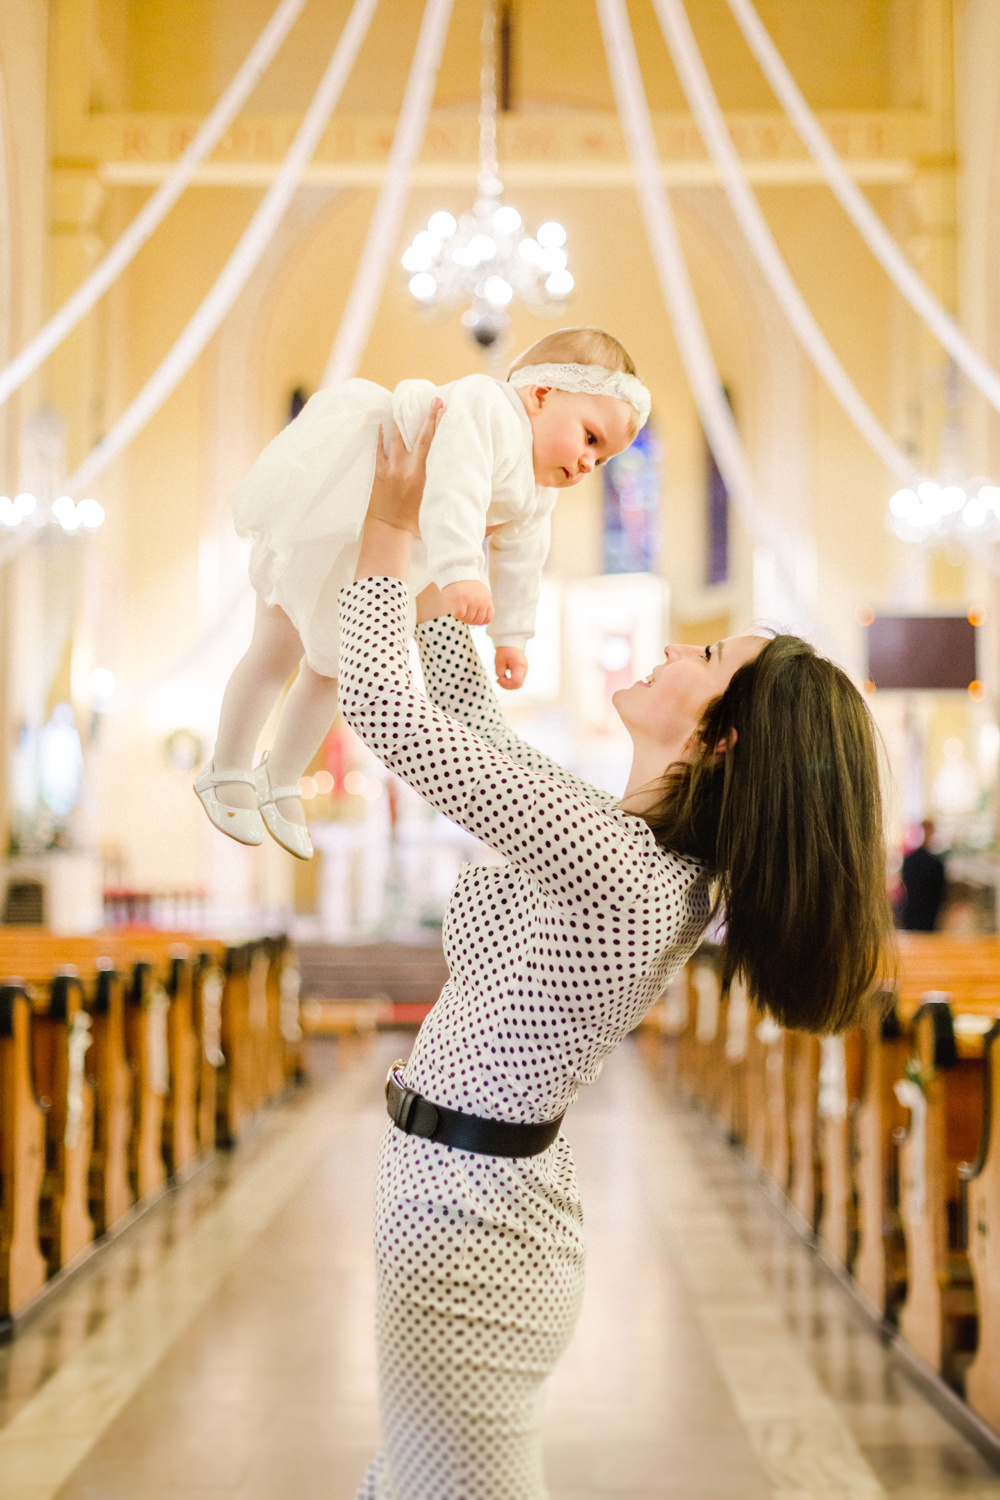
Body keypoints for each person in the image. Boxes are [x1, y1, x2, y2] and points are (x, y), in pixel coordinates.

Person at [341, 406, 894, 1500]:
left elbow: (384, 712)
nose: (673, 646)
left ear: (721, 737)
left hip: (468, 1233)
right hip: (463, 1204)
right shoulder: (631, 845)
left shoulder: (624, 870)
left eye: (704, 654)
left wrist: (385, 529)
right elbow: (470, 724)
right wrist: (470, 548)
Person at [194, 327, 646, 860]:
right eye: (591, 438)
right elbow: (456, 486)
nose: (590, 464)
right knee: (275, 651)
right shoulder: (487, 406)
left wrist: (512, 639)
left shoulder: (537, 491)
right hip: (337, 508)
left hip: (385, 550)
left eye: (605, 459)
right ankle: (225, 766)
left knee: (332, 668)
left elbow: (524, 561)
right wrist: (460, 573)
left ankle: (282, 776)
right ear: (541, 394)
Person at [898, 818, 946, 931]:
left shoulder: (910, 861)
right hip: (927, 912)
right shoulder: (935, 863)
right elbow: (941, 892)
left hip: (914, 912)